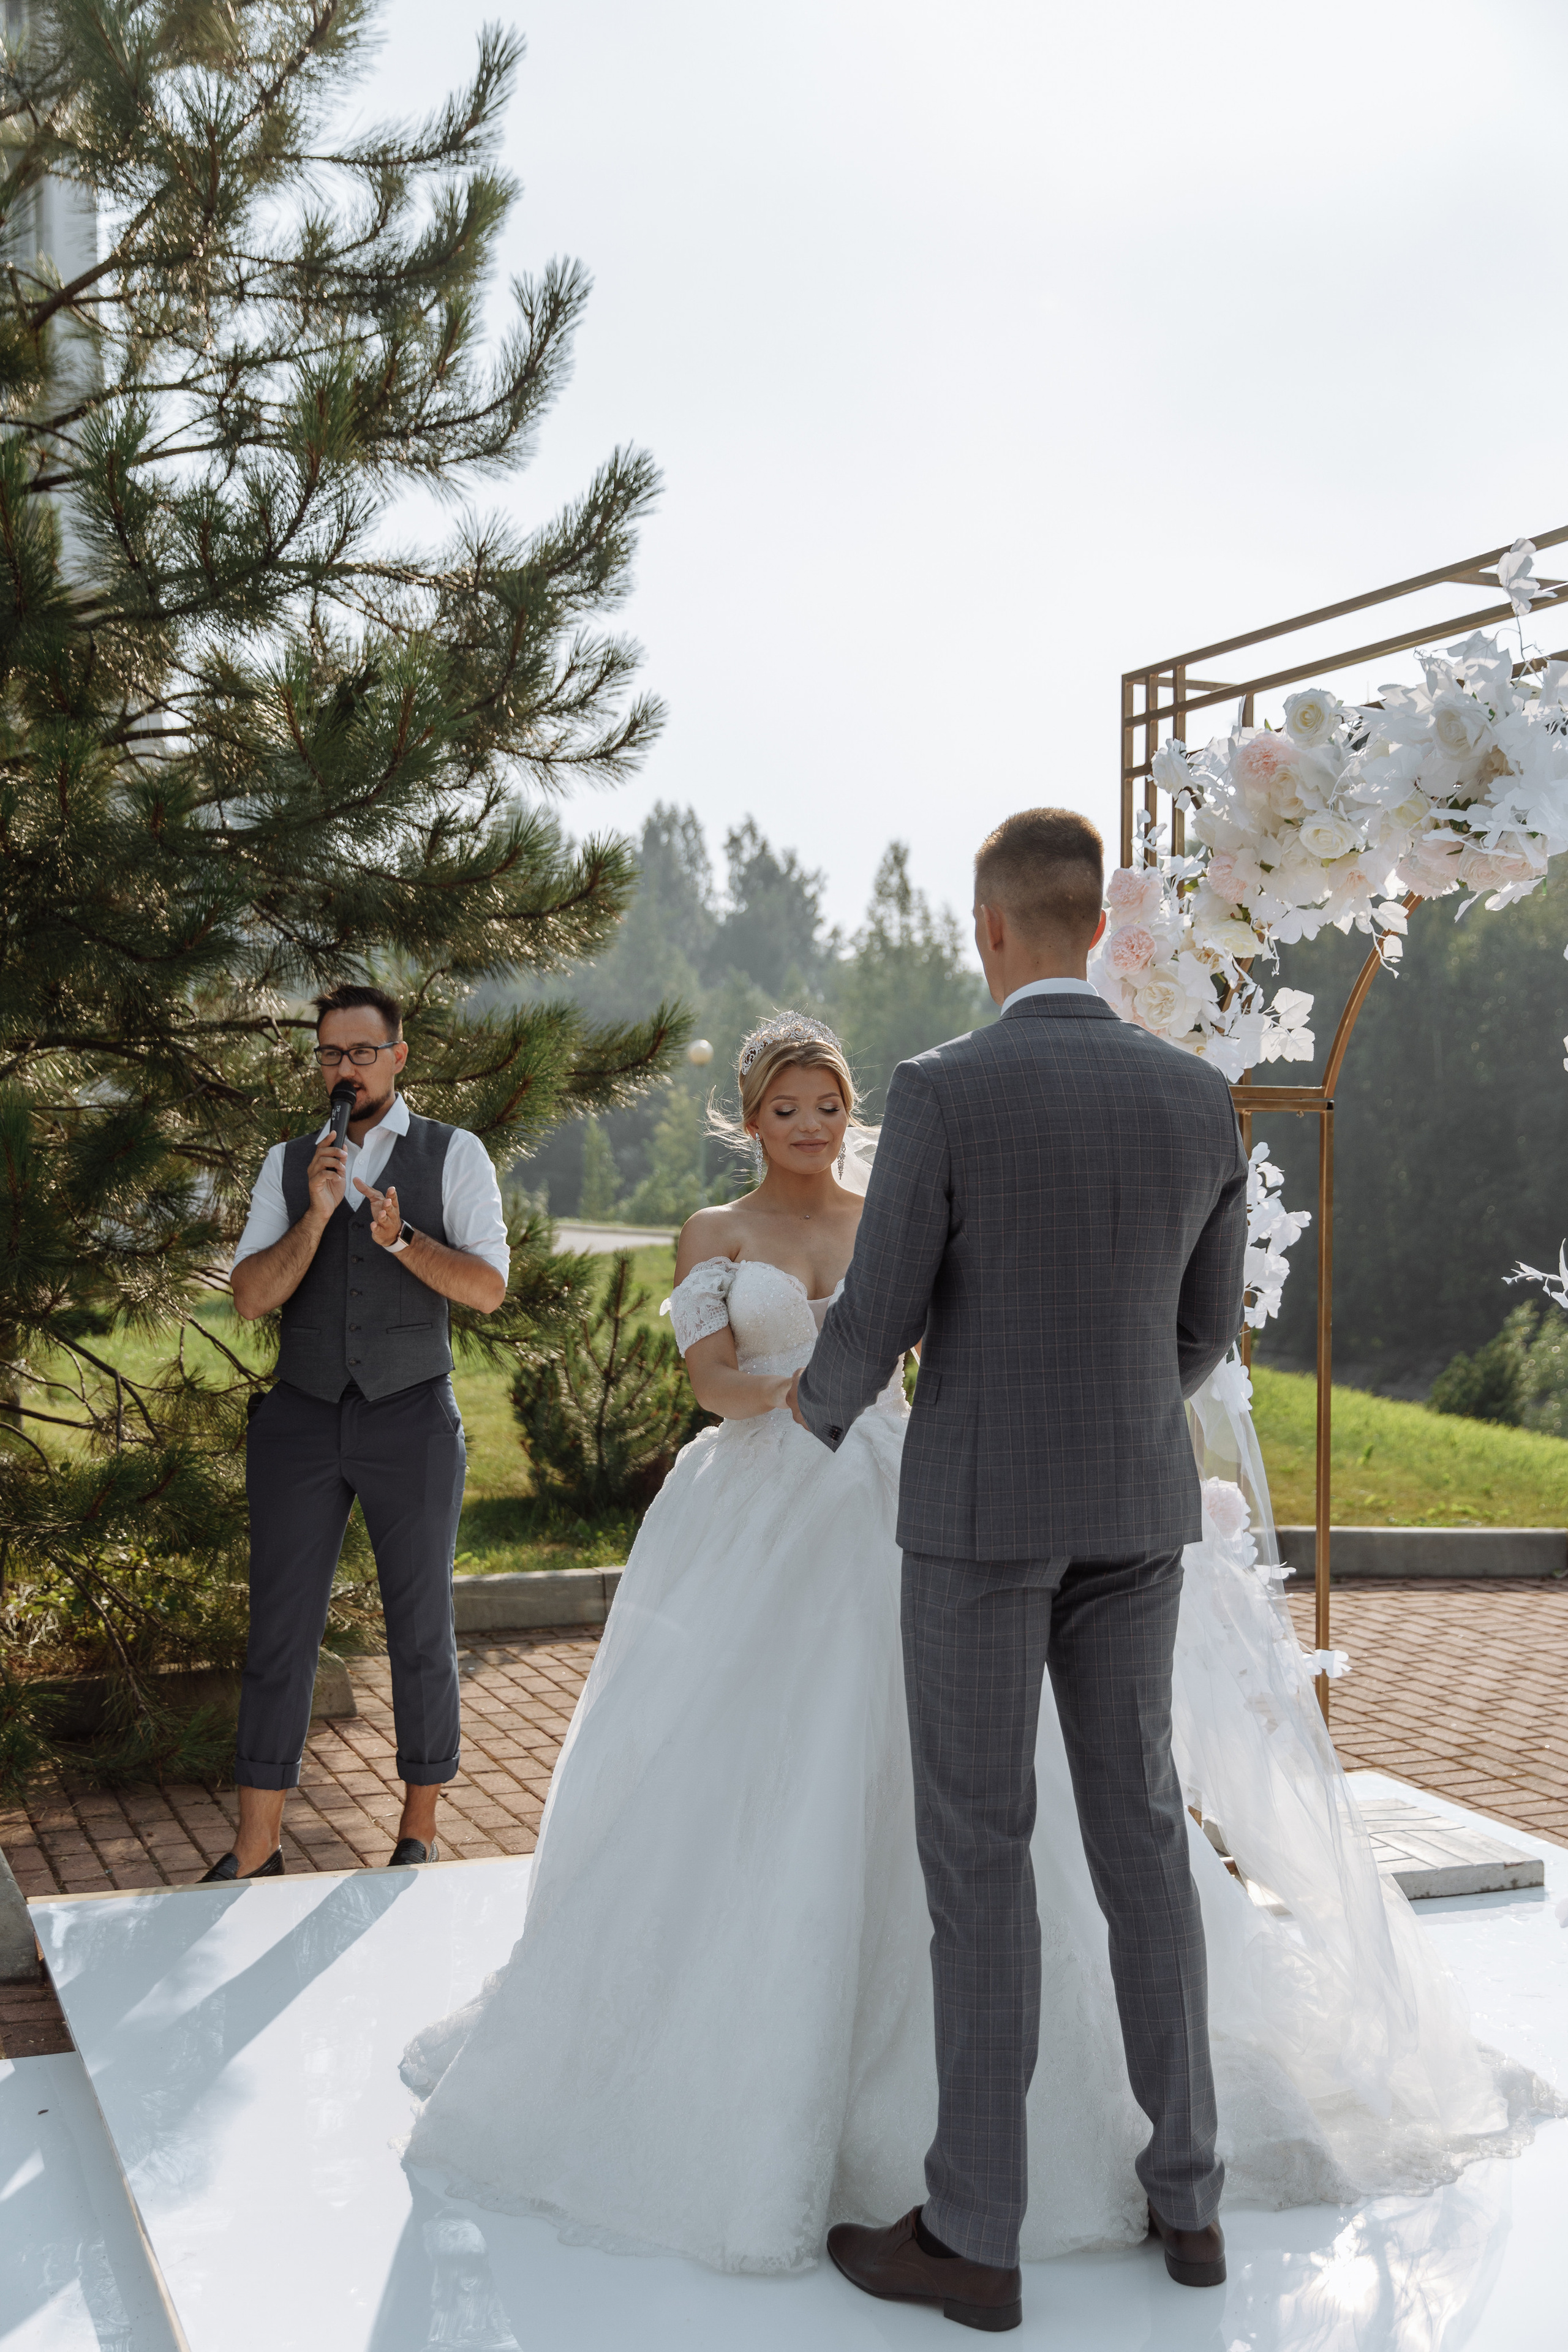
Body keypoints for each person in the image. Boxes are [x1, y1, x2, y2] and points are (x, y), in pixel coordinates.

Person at [398, 829, 1551, 2325]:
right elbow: (1200, 1337)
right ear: (1093, 924)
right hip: (1135, 1512)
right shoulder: (1197, 1098)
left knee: (978, 1855)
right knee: (1139, 1840)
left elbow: (874, 1314)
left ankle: (976, 2235)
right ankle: (1188, 2204)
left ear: (990, 933)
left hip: (971, 1523)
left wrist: (804, 1431)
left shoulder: (944, 1089)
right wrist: (1114, 1418)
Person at [205, 983, 509, 1881]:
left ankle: (418, 1830)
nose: (346, 1070)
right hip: (299, 1417)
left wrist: (404, 1238)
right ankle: (256, 1845)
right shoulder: (289, 1159)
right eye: (332, 1055)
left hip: (411, 1413)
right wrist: (313, 1211)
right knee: (280, 1631)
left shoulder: (455, 1155)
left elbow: (489, 1288)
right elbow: (254, 1297)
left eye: (362, 1053)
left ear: (398, 1056)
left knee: (420, 1628)